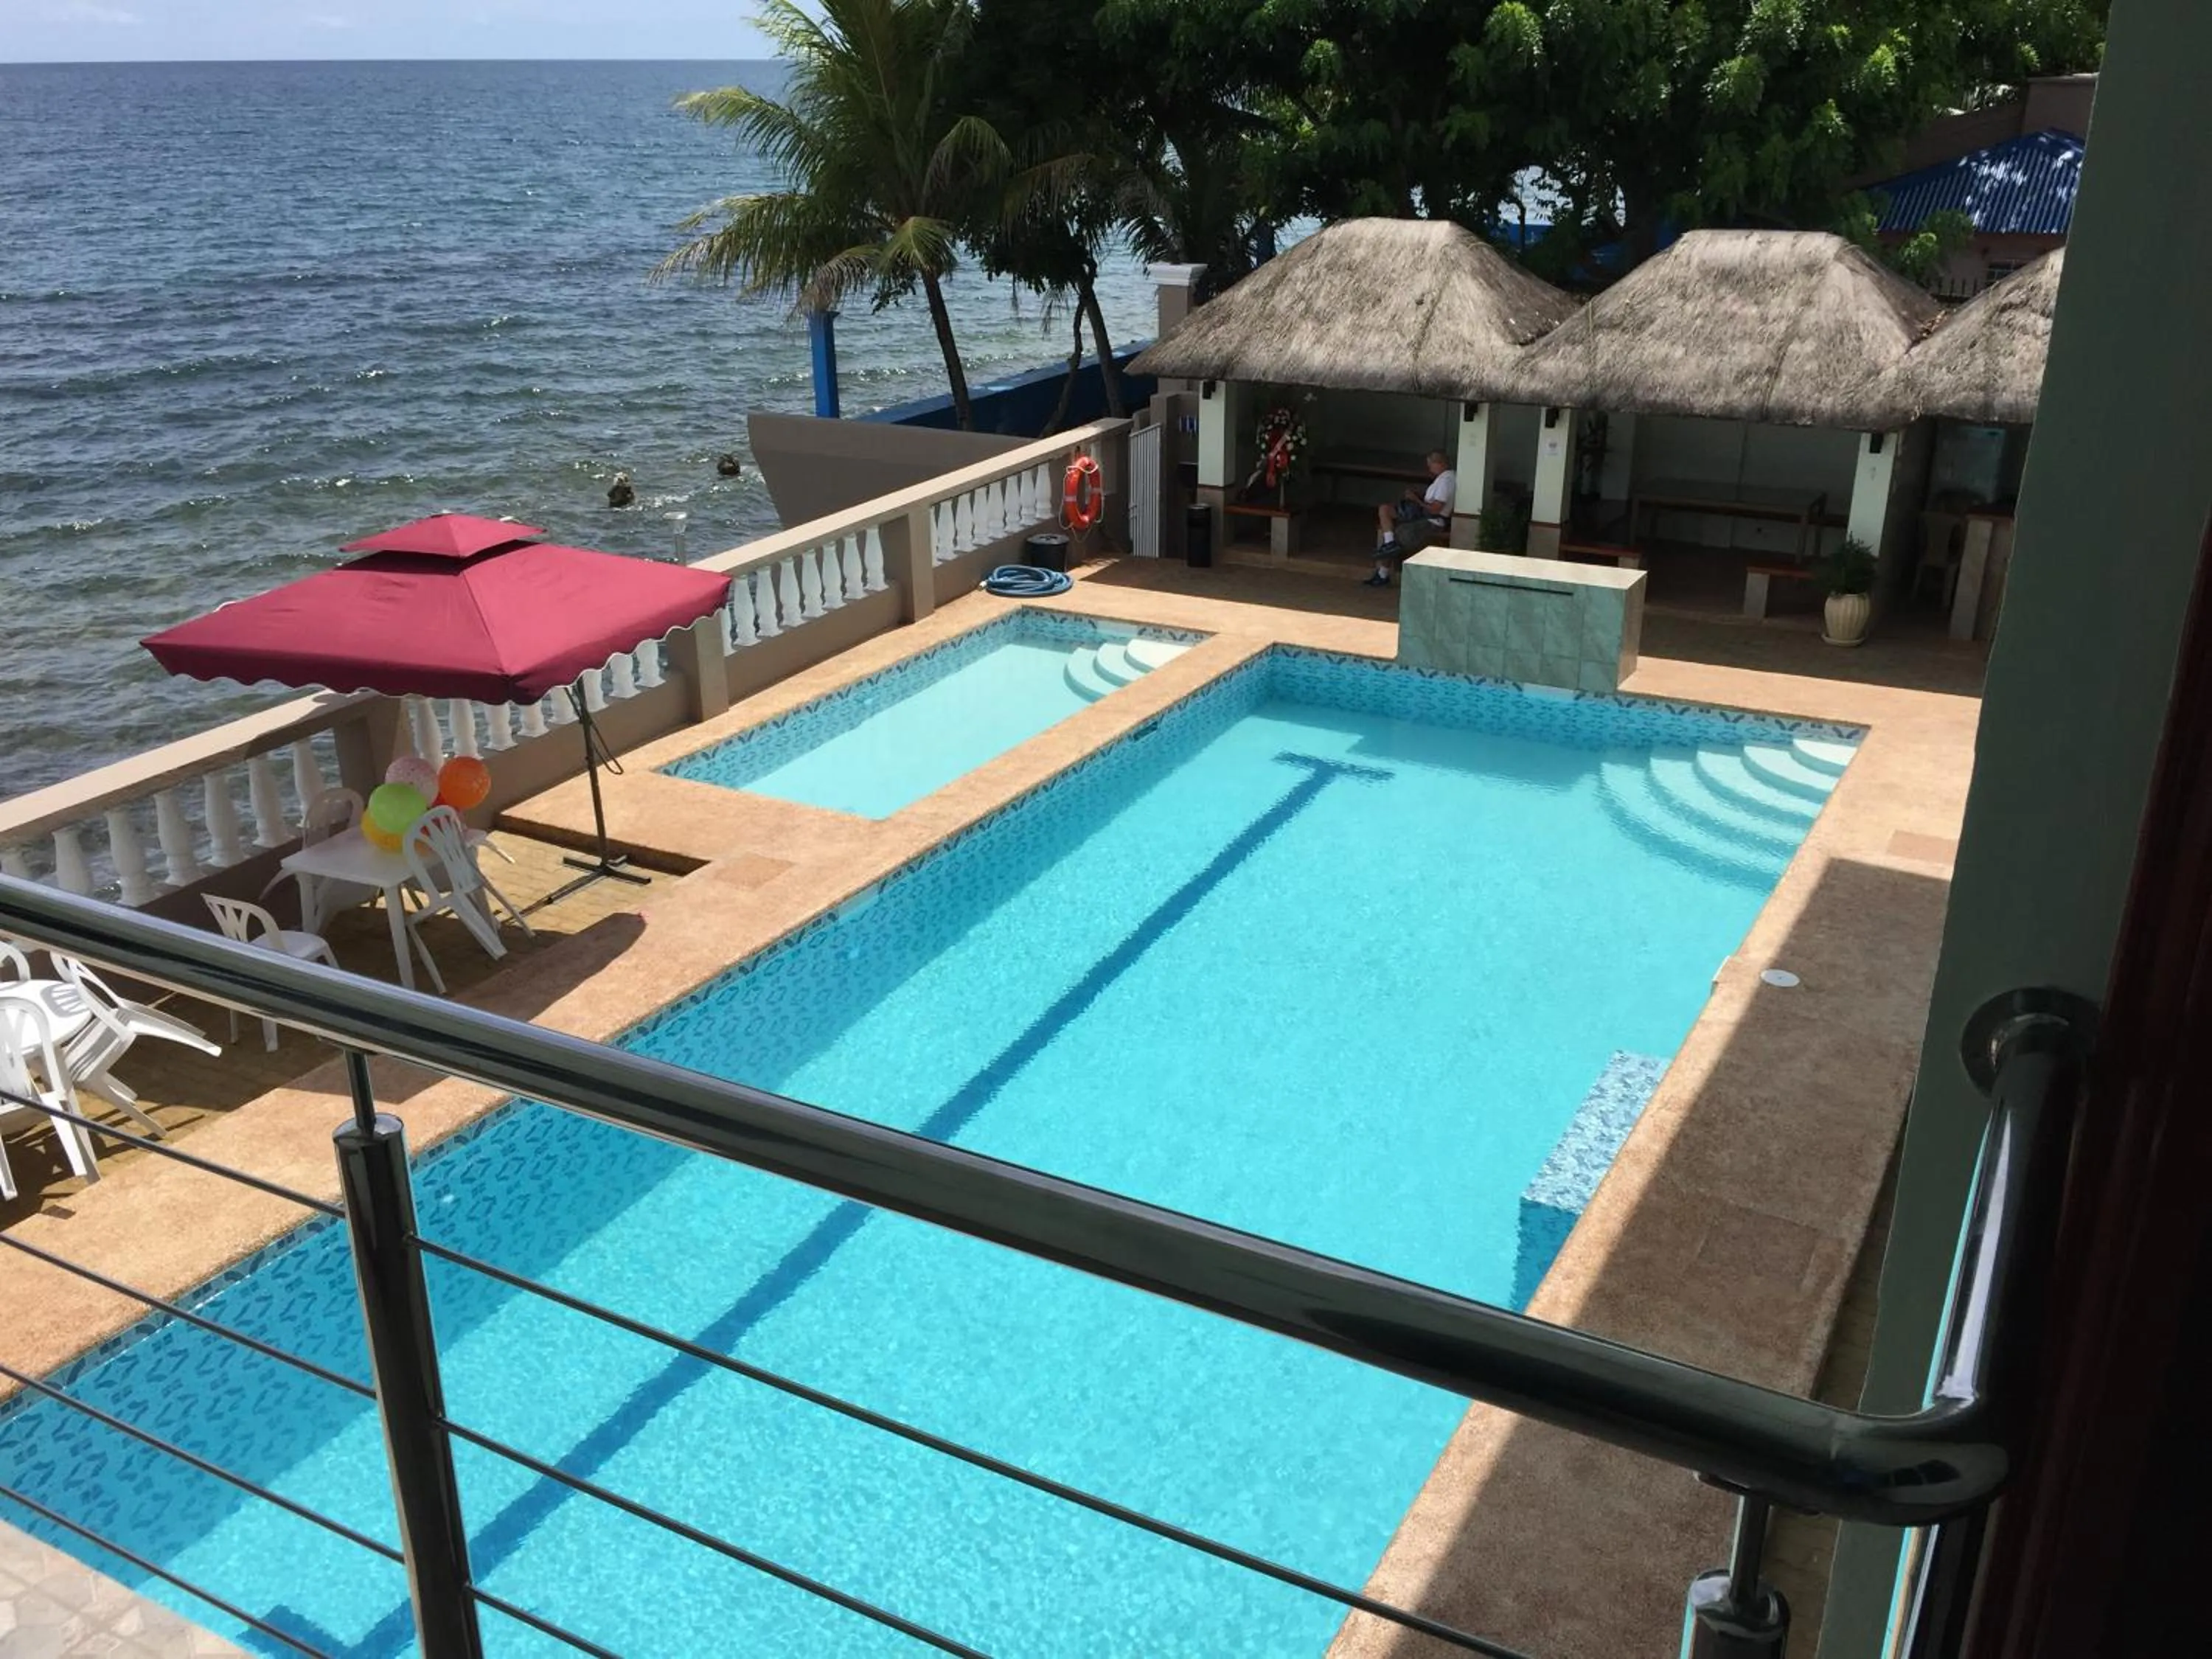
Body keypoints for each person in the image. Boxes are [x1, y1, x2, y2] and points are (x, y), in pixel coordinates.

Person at [1366, 451, 1455, 586]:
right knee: (1385, 510)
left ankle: (1383, 573)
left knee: (1396, 537)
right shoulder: (1443, 479)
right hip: (1423, 516)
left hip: (1432, 521)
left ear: (1440, 463)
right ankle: (1388, 549)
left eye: (1431, 465)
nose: (1429, 468)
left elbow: (1436, 508)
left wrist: (1416, 500)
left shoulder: (1447, 480)